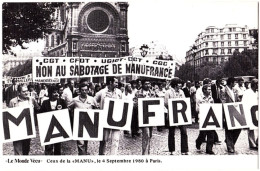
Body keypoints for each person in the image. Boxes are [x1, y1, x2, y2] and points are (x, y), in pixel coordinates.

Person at [9, 84, 40, 155]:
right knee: (17, 149)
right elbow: (9, 116)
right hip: (17, 128)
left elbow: (38, 109)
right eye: (24, 91)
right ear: (19, 92)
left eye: (27, 91)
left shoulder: (31, 99)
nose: (26, 93)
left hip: (28, 128)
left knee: (26, 148)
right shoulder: (12, 102)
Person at [68, 81, 98, 155]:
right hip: (78, 125)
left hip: (88, 124)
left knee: (85, 141)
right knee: (80, 143)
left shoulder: (92, 99)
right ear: (79, 90)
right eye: (82, 90)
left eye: (85, 90)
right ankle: (82, 156)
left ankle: (84, 153)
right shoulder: (74, 100)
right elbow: (68, 108)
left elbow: (96, 109)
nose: (84, 92)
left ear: (88, 90)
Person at [94, 76, 122, 155]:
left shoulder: (119, 92)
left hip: (117, 119)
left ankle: (113, 157)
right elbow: (93, 101)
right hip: (105, 120)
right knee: (103, 140)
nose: (117, 84)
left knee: (116, 140)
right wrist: (98, 109)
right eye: (116, 82)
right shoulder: (102, 92)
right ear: (110, 82)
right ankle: (101, 156)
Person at [39, 85, 67, 155]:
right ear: (50, 93)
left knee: (58, 147)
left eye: (57, 92)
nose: (56, 94)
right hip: (48, 129)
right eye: (54, 92)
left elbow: (66, 114)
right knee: (48, 147)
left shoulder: (62, 102)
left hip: (59, 128)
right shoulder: (45, 103)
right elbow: (41, 114)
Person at [164, 78, 189, 155]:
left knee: (184, 131)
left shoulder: (181, 92)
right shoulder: (168, 92)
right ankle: (171, 149)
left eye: (181, 83)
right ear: (175, 84)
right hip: (172, 113)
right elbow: (165, 103)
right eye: (179, 83)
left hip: (181, 114)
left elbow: (184, 101)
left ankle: (184, 150)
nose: (180, 85)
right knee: (171, 132)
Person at [134, 79, 156, 155]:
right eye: (146, 84)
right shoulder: (138, 93)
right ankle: (144, 154)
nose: (148, 85)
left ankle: (147, 152)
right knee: (146, 134)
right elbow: (135, 104)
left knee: (149, 135)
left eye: (149, 84)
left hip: (151, 116)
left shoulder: (153, 93)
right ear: (142, 84)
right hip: (143, 116)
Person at [220, 77, 240, 153]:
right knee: (229, 129)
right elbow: (223, 101)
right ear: (231, 82)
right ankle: (230, 146)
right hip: (228, 111)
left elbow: (237, 99)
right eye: (234, 82)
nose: (235, 84)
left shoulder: (235, 90)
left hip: (235, 111)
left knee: (238, 128)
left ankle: (230, 142)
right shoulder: (223, 90)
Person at [195, 84, 215, 155]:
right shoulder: (199, 99)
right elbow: (197, 109)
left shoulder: (211, 98)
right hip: (202, 118)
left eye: (210, 89)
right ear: (204, 90)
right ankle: (198, 142)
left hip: (210, 118)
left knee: (211, 133)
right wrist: (203, 108)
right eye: (208, 89)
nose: (210, 91)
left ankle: (209, 149)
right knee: (203, 134)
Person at [242, 79, 258, 151]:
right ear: (255, 84)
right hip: (249, 112)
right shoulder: (247, 92)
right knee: (250, 128)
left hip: (257, 111)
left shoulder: (257, 92)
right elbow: (243, 103)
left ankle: (257, 142)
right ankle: (252, 144)